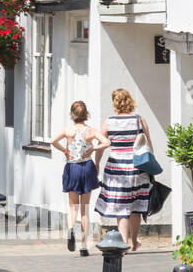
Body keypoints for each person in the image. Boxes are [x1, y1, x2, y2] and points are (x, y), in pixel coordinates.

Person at [93, 88, 153, 251]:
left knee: (121, 206)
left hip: (116, 168)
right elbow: (148, 145)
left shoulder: (108, 122)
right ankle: (134, 241)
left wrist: (97, 163)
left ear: (114, 103)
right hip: (137, 167)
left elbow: (100, 147)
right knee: (135, 205)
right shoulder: (140, 120)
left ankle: (123, 243)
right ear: (130, 101)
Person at [50, 101, 107, 257]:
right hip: (87, 168)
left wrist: (66, 151)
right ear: (86, 114)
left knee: (72, 207)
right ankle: (83, 246)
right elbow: (106, 142)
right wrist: (92, 148)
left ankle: (70, 229)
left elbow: (53, 141)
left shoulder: (68, 130)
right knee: (85, 209)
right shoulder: (91, 131)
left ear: (72, 115)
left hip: (72, 167)